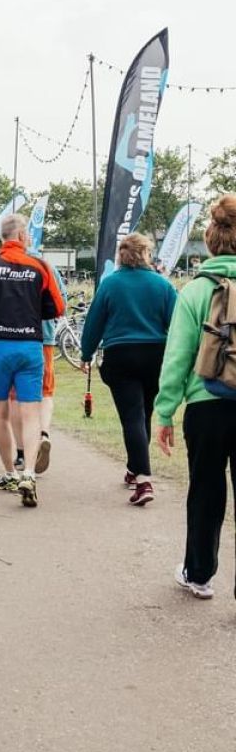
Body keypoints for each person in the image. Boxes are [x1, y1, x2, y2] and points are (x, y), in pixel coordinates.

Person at [155, 196, 236, 599]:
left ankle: (199, 574)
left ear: (211, 240)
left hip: (206, 404)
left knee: (205, 490)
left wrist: (165, 411)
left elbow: (178, 357)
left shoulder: (195, 291)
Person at [0, 213, 65, 508]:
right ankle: (29, 474)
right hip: (30, 346)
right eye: (28, 235)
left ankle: (10, 473)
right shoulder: (40, 266)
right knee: (31, 413)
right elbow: (57, 307)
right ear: (19, 236)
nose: (29, 239)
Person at [80, 232, 177, 507]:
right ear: (146, 254)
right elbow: (177, 323)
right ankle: (135, 468)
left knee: (132, 416)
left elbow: (94, 323)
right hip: (156, 355)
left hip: (120, 355)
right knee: (144, 413)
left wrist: (86, 353)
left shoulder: (110, 284)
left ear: (122, 256)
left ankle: (143, 479)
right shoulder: (163, 285)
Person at [11, 256, 67, 475]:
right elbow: (60, 303)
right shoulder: (46, 266)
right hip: (44, 338)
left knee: (15, 397)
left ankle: (22, 452)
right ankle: (43, 433)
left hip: (14, 338)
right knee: (45, 393)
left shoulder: (3, 266)